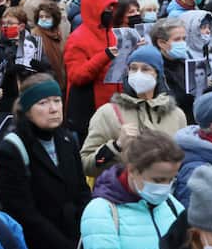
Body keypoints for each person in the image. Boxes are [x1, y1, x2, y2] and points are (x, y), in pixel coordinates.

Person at [0, 74, 90, 249]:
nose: (53, 108)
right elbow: (23, 213)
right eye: (43, 103)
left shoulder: (66, 139)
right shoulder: (12, 150)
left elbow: (81, 190)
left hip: (75, 246)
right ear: (27, 110)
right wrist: (66, 247)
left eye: (56, 100)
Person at [80, 131, 184, 249]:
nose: (164, 187)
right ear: (133, 170)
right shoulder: (102, 211)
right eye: (158, 180)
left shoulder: (170, 203)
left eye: (171, 180)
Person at [80, 45, 187, 177]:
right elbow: (86, 166)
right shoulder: (107, 113)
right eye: (133, 68)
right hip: (121, 194)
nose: (138, 74)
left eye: (145, 69)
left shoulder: (176, 115)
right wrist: (116, 146)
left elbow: (183, 162)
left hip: (164, 191)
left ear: (158, 74)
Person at [63, 0, 119, 142]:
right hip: (89, 110)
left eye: (111, 8)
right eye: (106, 8)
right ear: (95, 9)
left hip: (113, 106)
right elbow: (77, 76)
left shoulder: (112, 33)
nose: (110, 12)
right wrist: (104, 56)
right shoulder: (77, 39)